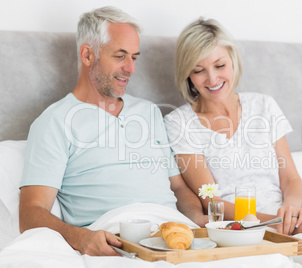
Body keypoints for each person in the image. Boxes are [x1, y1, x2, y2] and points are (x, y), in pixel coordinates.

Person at [19, 6, 207, 257]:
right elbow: (30, 212)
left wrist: (198, 221)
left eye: (134, 57)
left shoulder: (149, 112)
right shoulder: (55, 122)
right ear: (87, 55)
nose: (131, 69)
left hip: (173, 234)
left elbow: (179, 188)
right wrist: (81, 237)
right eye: (120, 56)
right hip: (113, 238)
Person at [164, 18, 302, 235]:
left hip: (286, 217)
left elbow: (291, 180)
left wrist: (292, 212)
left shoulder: (264, 105)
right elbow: (212, 202)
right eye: (198, 70)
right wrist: (275, 223)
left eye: (219, 65)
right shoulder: (179, 123)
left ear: (233, 60)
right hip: (240, 226)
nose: (212, 79)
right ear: (188, 75)